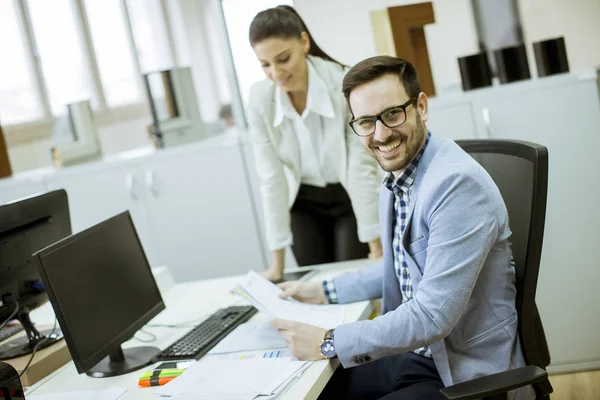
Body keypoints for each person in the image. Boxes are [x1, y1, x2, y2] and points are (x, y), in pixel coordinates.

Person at [271, 56, 533, 400]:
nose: (380, 135)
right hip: (419, 355)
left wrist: (329, 340)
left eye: (392, 114)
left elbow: (431, 315)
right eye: (365, 122)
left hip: (461, 372)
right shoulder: (398, 179)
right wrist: (323, 290)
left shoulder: (456, 185)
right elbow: (403, 262)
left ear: (421, 107)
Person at [247, 6, 382, 282]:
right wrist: (276, 266)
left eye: (283, 59)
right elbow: (272, 179)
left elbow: (360, 168)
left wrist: (375, 246)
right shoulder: (260, 100)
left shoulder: (343, 84)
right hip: (303, 201)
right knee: (316, 285)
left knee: (351, 281)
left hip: (346, 197)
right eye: (265, 64)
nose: (276, 73)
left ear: (304, 42)